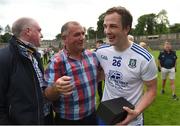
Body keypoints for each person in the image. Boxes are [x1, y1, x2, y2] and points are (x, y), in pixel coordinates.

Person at [95, 6, 157, 125]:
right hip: (105, 113)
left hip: (131, 118)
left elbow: (151, 90)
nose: (107, 31)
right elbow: (98, 73)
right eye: (105, 26)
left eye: (113, 26)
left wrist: (137, 111)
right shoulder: (101, 52)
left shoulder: (144, 58)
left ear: (126, 28)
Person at [44, 21, 100, 125]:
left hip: (91, 116)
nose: (82, 37)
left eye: (83, 34)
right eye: (77, 34)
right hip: (68, 120)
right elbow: (47, 95)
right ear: (64, 38)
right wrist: (56, 88)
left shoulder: (92, 56)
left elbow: (100, 76)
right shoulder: (57, 61)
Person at [0, 17, 53, 124]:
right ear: (28, 31)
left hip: (44, 118)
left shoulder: (35, 55)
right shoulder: (3, 58)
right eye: (39, 30)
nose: (41, 35)